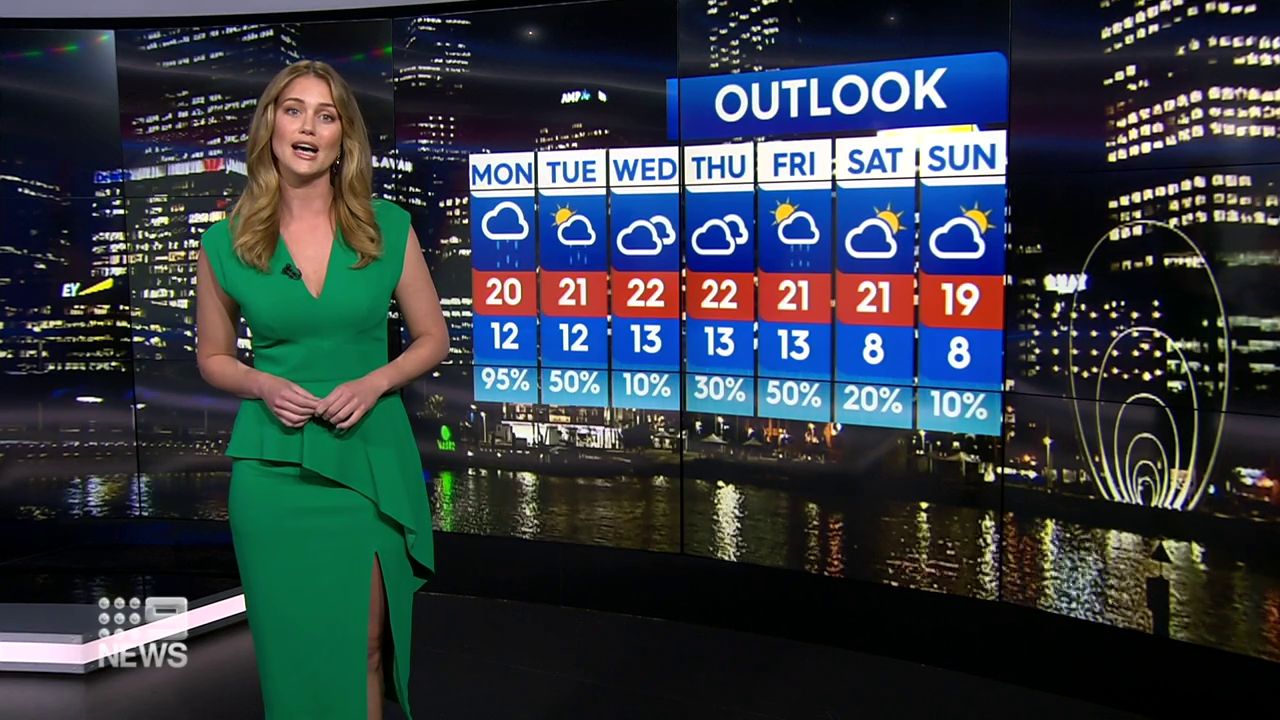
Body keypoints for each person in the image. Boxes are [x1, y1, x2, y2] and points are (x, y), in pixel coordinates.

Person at [195, 59, 449, 719]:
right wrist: (260, 383)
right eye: (294, 110)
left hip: (366, 463)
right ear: (271, 127)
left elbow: (433, 338)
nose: (308, 127)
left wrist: (375, 381)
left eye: (326, 115)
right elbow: (213, 357)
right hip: (272, 473)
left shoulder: (387, 227)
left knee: (363, 646)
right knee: (290, 650)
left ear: (344, 138)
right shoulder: (224, 243)